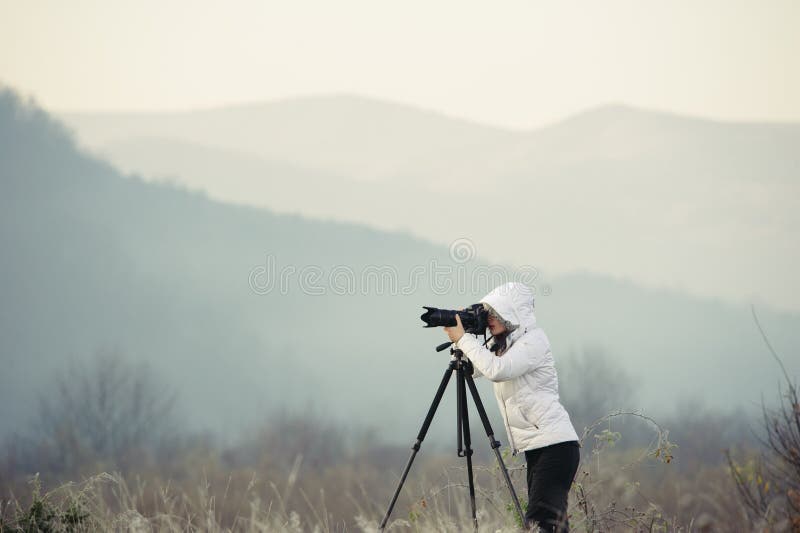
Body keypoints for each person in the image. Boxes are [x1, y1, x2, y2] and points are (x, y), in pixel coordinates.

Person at [443, 282, 580, 532]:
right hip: (539, 447)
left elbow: (497, 371)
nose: (490, 319)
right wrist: (462, 338)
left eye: (495, 313)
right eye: (487, 314)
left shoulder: (533, 342)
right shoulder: (504, 345)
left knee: (540, 522)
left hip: (556, 447)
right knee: (552, 524)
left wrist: (464, 338)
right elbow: (472, 371)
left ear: (513, 313)